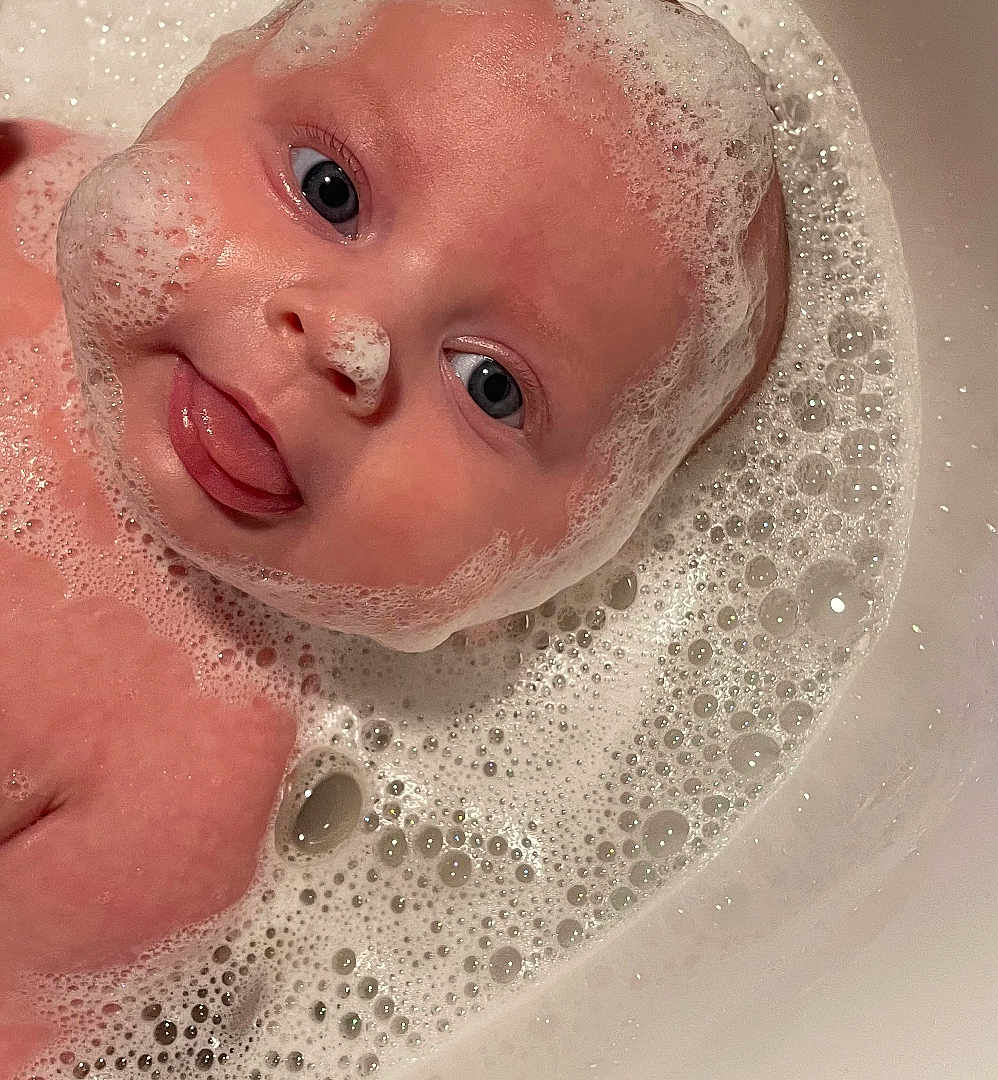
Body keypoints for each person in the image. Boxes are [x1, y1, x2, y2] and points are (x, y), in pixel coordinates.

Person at [0, 0, 786, 1069]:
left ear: (542, 568)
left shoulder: (185, 789)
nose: (350, 340)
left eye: (492, 385)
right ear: (192, 91)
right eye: (332, 191)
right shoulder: (20, 176)